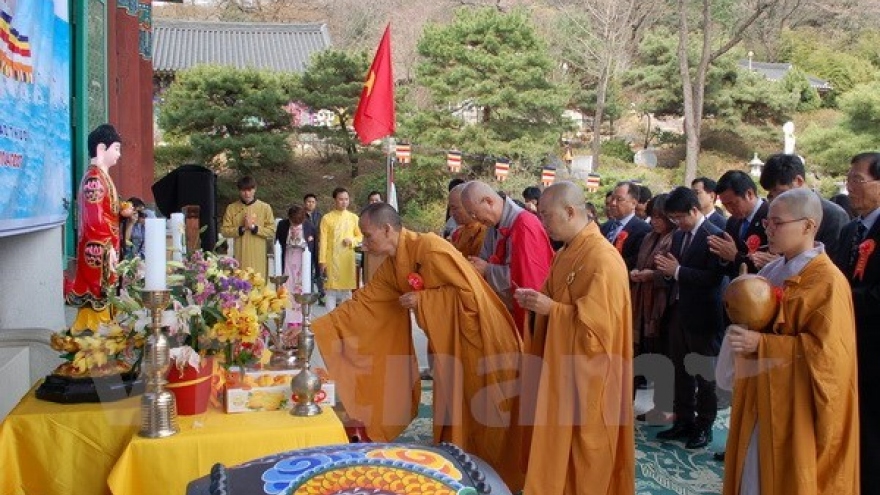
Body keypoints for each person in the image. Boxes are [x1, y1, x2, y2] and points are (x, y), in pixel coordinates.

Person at [312, 203, 525, 490]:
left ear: (388, 229)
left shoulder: (430, 248)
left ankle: (497, 477)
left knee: (487, 411)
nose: (364, 242)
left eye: (368, 234)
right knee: (457, 408)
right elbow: (366, 302)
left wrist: (424, 301)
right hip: (450, 345)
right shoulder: (394, 263)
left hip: (483, 339)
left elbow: (470, 297)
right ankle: (462, 465)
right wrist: (315, 329)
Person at [720, 188, 859, 494]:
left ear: (808, 226)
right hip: (760, 392)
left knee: (786, 477)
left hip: (796, 404)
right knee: (752, 473)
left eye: (777, 223)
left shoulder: (828, 282)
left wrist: (763, 344)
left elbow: (831, 356)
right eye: (767, 222)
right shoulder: (772, 270)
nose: (768, 229)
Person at [514, 181, 634, 495]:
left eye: (546, 216)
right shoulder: (566, 253)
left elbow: (600, 333)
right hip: (561, 371)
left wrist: (552, 310)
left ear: (569, 212)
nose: (542, 224)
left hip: (589, 377)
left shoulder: (603, 260)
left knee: (585, 449)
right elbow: (554, 300)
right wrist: (537, 305)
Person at [654, 187, 725, 450]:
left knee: (704, 375)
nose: (677, 223)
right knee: (679, 370)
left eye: (680, 217)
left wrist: (679, 270)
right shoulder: (679, 236)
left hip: (703, 315)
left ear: (694, 210)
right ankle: (683, 420)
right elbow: (673, 270)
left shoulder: (714, 236)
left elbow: (714, 279)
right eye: (673, 219)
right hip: (678, 310)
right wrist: (668, 270)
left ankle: (704, 425)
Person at [834, 152, 880, 494]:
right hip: (844, 343)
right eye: (848, 180)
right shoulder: (850, 229)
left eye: (857, 180)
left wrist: (838, 299)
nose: (850, 188)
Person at [460, 181, 554, 335]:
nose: (474, 218)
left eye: (474, 213)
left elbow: (528, 280)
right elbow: (485, 259)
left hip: (527, 318)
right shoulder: (492, 227)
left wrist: (487, 269)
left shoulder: (524, 224)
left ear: (489, 202)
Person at [66, 124, 133, 333]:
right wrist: (107, 246)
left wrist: (121, 210)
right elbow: (94, 219)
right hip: (98, 245)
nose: (119, 155)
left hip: (106, 243)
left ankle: (105, 321)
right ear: (101, 149)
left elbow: (107, 208)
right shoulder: (94, 180)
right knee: (99, 288)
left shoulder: (102, 177)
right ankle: (97, 325)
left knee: (109, 287)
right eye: (117, 149)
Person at [629, 194, 675, 424]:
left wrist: (652, 276)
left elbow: (672, 274)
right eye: (653, 216)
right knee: (640, 353)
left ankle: (663, 407)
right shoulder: (649, 237)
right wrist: (638, 273)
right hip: (641, 303)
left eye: (660, 216)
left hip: (661, 305)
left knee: (662, 357)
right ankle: (635, 402)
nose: (655, 221)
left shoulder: (675, 238)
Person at [759, 153, 850, 260]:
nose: (775, 200)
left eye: (779, 193)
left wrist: (783, 264)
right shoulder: (775, 210)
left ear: (798, 181)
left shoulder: (834, 216)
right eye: (770, 196)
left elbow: (834, 263)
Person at [709, 171, 769, 275]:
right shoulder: (732, 222)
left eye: (732, 204)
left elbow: (769, 264)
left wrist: (736, 256)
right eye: (725, 205)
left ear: (749, 194)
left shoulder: (770, 217)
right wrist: (724, 255)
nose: (729, 210)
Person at [220, 176, 275, 277]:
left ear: (255, 189)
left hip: (258, 254)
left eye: (250, 190)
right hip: (240, 255)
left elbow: (271, 230)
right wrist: (242, 228)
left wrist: (254, 227)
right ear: (239, 191)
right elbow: (224, 230)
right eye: (243, 190)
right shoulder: (232, 208)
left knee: (258, 283)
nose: (247, 193)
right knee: (241, 285)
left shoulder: (265, 207)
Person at [319, 187, 362, 310]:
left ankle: (344, 321)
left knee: (346, 292)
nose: (344, 202)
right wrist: (322, 261)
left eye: (346, 199)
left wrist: (352, 241)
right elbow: (323, 241)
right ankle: (330, 321)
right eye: (341, 199)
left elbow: (360, 235)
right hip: (331, 259)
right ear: (335, 200)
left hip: (347, 259)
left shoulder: (354, 218)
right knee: (331, 291)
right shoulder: (327, 218)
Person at [275, 204, 317, 326]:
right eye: (293, 221)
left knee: (301, 288)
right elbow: (278, 243)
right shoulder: (282, 225)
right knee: (288, 289)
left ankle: (301, 321)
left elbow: (314, 248)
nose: (295, 224)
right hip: (288, 258)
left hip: (302, 260)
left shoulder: (309, 226)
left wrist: (317, 268)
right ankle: (289, 321)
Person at [600, 181, 652, 270]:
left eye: (619, 199)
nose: (613, 203)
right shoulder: (605, 227)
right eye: (612, 199)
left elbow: (636, 261)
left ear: (633, 203)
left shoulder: (643, 230)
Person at [447, 182, 486, 258]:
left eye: (455, 208)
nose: (451, 214)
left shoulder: (484, 233)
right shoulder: (461, 230)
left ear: (468, 205)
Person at [303, 193, 324, 301]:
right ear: (304, 203)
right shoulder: (301, 215)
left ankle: (322, 294)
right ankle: (309, 292)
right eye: (308, 201)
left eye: (313, 202)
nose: (310, 204)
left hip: (318, 246)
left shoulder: (320, 216)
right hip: (306, 246)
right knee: (308, 269)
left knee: (319, 271)